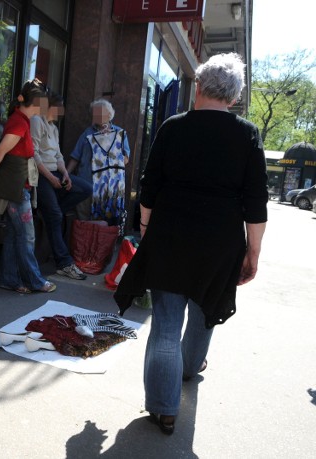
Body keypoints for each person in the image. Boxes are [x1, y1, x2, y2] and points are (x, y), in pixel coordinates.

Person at [113, 53, 268, 435]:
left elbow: (149, 187)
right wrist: (253, 252)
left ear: (198, 87)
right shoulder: (247, 134)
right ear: (233, 97)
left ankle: (165, 408)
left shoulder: (173, 127)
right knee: (205, 309)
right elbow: (256, 201)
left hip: (170, 234)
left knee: (166, 322)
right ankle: (188, 367)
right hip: (220, 241)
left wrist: (146, 229)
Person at [0, 78, 56, 294]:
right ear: (35, 103)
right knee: (26, 235)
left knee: (15, 235)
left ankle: (9, 278)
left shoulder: (22, 120)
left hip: (17, 186)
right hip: (15, 188)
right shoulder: (19, 122)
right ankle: (34, 280)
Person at [30, 92, 91, 280]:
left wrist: (65, 173)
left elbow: (58, 156)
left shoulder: (54, 128)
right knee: (55, 215)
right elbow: (33, 153)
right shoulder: (36, 121)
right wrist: (49, 177)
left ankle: (48, 211)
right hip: (41, 175)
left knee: (85, 188)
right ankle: (64, 263)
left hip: (56, 173)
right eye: (59, 106)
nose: (61, 111)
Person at [67, 99, 131, 224]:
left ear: (109, 114)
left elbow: (126, 158)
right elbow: (76, 156)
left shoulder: (119, 134)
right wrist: (66, 174)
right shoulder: (87, 133)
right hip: (86, 183)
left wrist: (112, 158)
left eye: (99, 112)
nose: (96, 115)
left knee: (104, 223)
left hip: (108, 187)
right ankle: (84, 243)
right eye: (95, 113)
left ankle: (99, 243)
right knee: (83, 219)